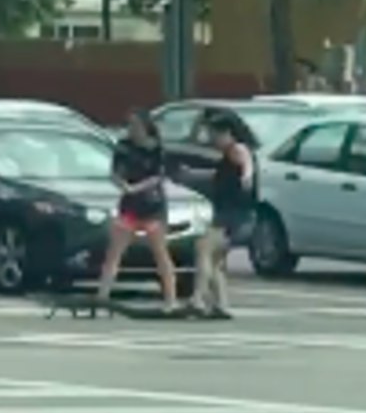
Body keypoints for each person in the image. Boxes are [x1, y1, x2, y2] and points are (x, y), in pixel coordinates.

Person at [96, 109, 180, 313]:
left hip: (152, 205)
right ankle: (101, 297)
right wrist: (121, 184)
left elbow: (158, 177)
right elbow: (115, 172)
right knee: (115, 251)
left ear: (145, 127)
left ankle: (171, 300)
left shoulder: (157, 149)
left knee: (160, 252)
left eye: (136, 126)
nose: (132, 130)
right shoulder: (124, 146)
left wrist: (136, 188)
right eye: (130, 126)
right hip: (130, 206)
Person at [182, 110, 257, 320]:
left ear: (227, 133)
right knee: (215, 261)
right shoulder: (228, 155)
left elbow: (246, 162)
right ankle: (222, 304)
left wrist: (247, 176)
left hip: (232, 215)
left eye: (215, 134)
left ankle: (198, 298)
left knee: (203, 248)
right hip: (234, 214)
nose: (212, 140)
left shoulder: (237, 149)